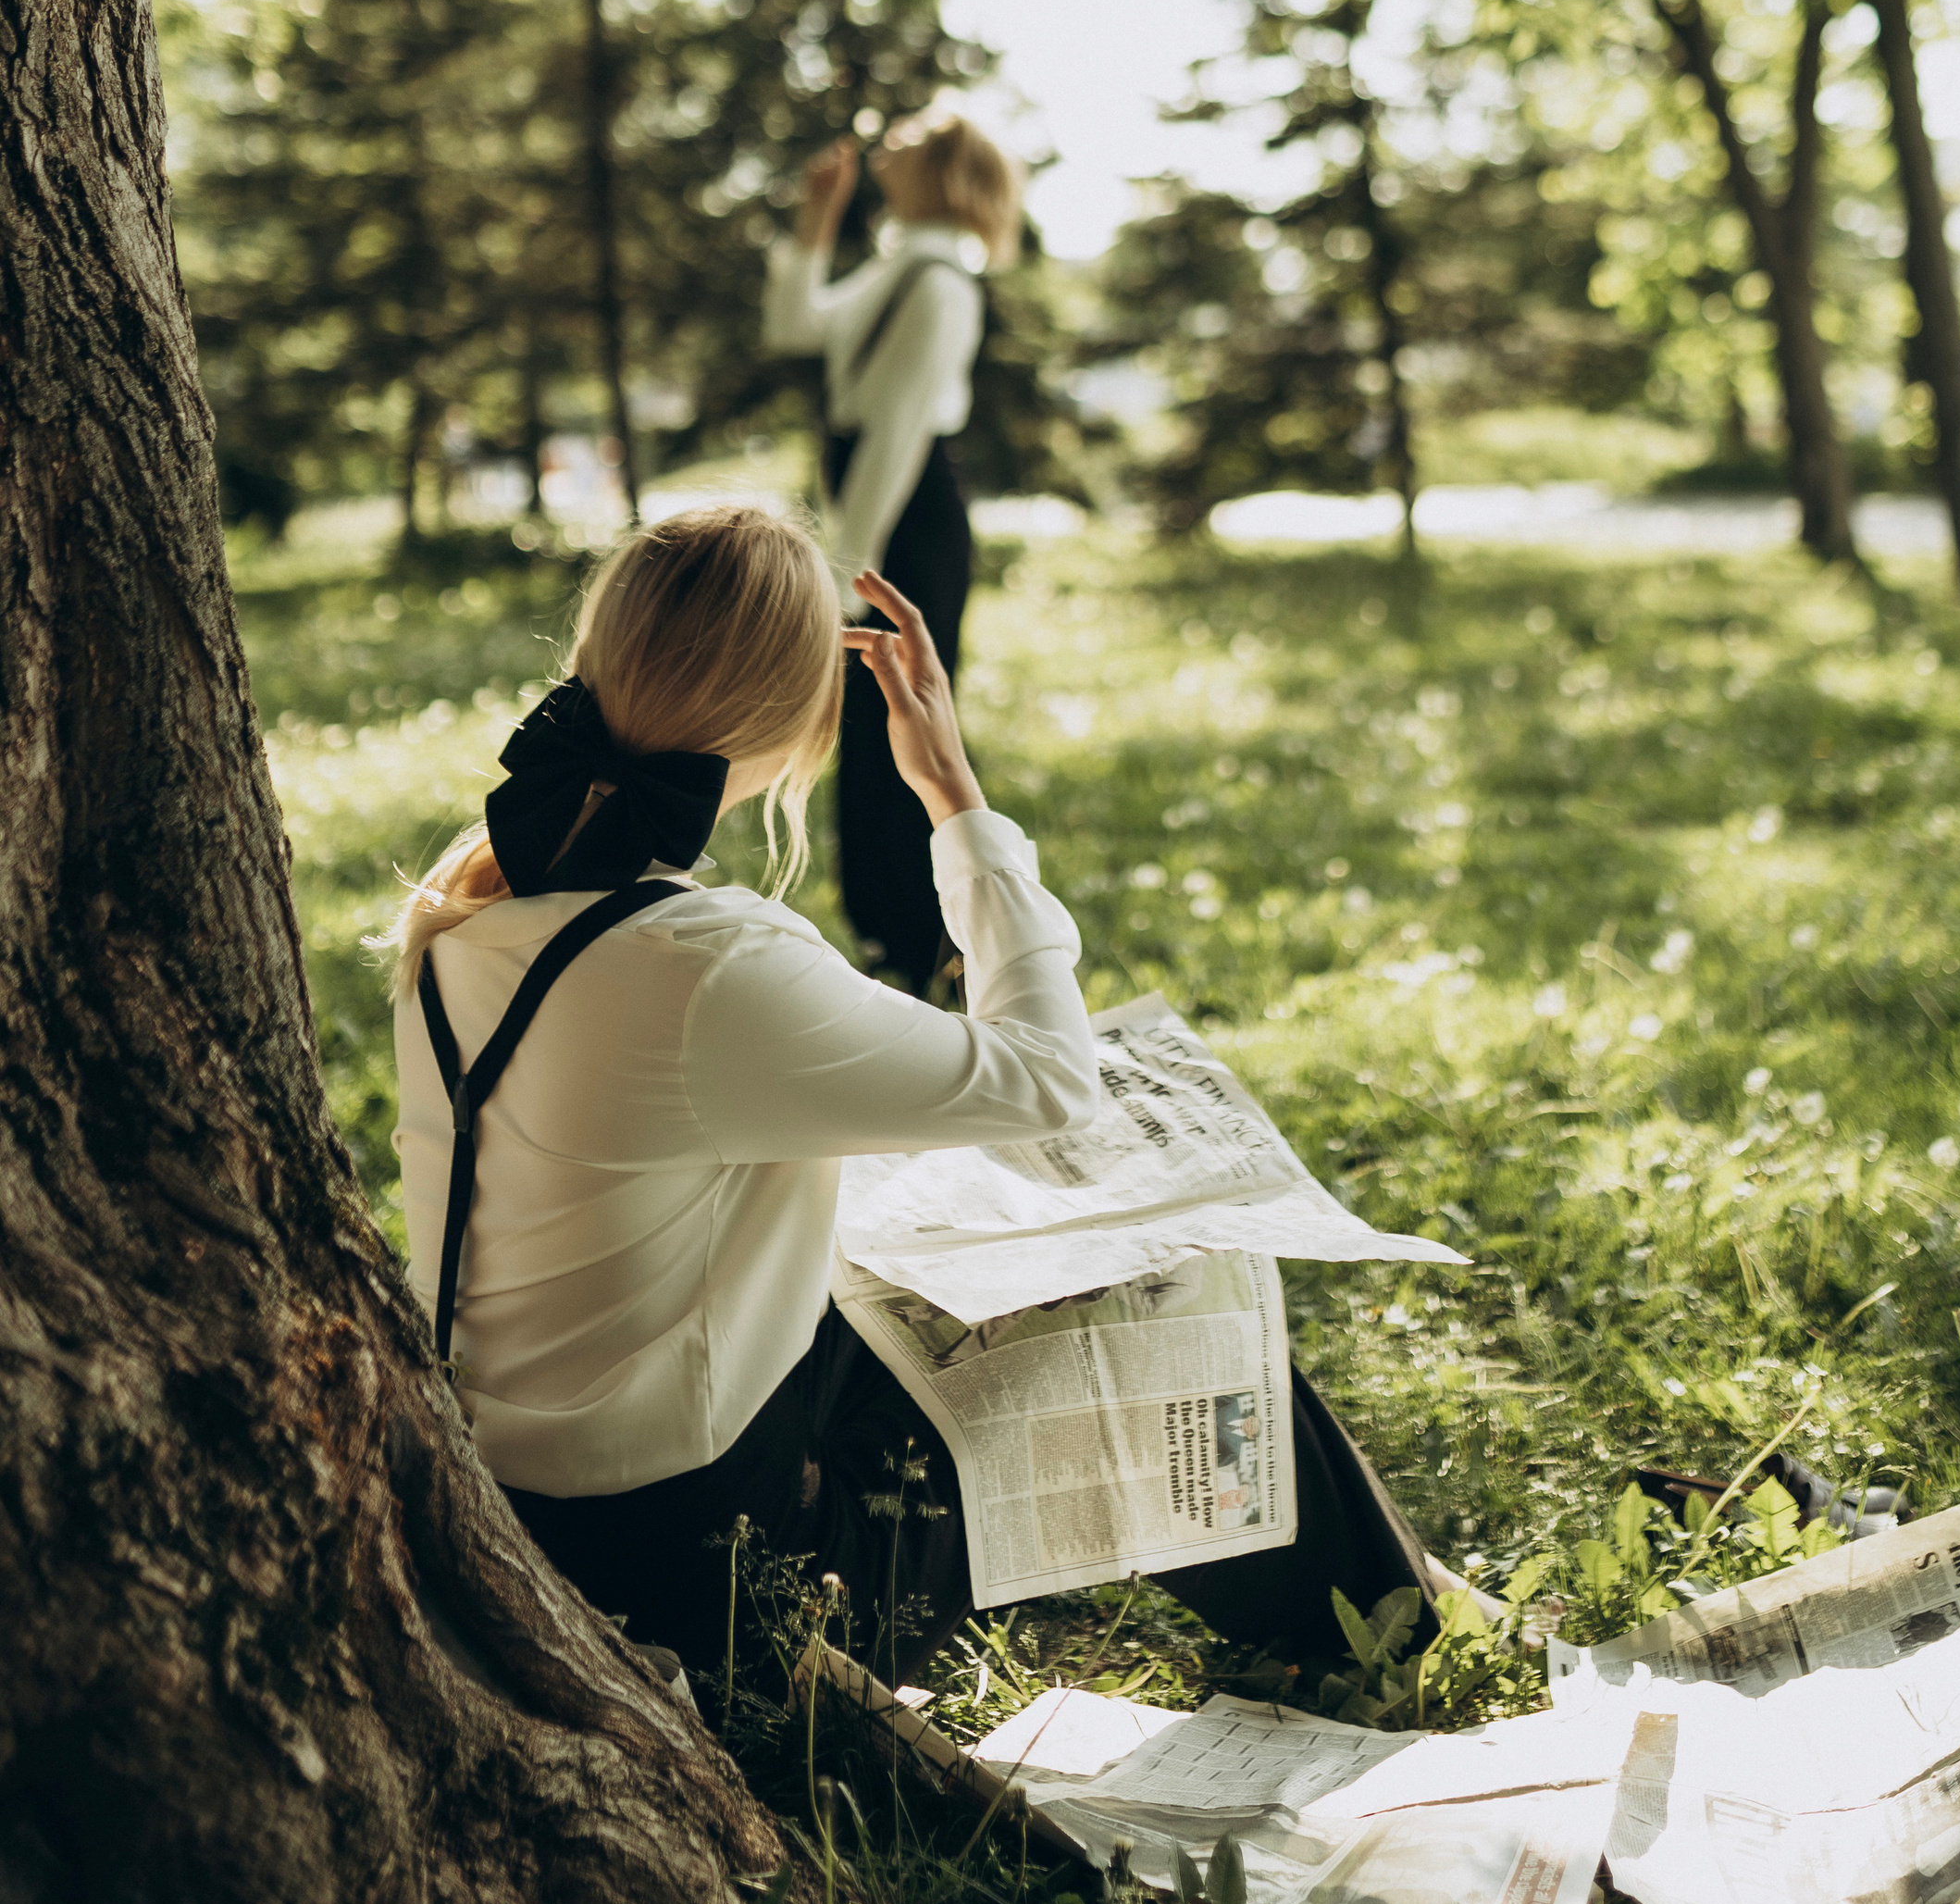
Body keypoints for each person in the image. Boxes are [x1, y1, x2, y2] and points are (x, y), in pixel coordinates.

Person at [389, 503, 1439, 1688]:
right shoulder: (712, 967)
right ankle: (1393, 1632)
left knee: (930, 1270)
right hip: (732, 1586)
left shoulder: (459, 920)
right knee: (1167, 1308)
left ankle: (1398, 1589)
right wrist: (952, 792)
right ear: (801, 723)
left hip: (526, 1512)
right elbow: (1050, 1083)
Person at [764, 112, 1020, 993]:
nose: (887, 136)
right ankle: (887, 932)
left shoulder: (945, 284)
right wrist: (816, 224)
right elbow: (797, 328)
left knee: (907, 724)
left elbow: (898, 436)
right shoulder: (899, 262)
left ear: (946, 167)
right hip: (870, 505)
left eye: (911, 132)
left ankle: (928, 940)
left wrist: (848, 573)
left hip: (904, 515)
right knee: (867, 727)